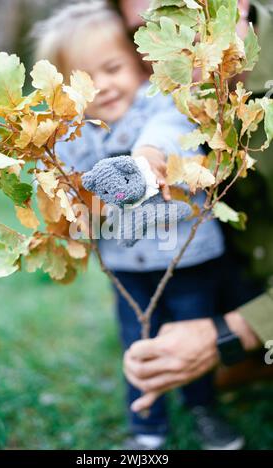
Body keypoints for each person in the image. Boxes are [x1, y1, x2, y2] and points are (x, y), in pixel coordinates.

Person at [31, 0, 243, 450]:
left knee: (191, 337)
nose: (104, 87)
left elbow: (167, 134)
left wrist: (145, 162)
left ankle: (206, 410)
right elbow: (71, 199)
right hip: (128, 268)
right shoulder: (72, 137)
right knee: (138, 343)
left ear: (140, 66)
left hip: (190, 260)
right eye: (85, 81)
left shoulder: (161, 104)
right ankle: (146, 428)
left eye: (113, 68)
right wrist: (73, 204)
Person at [123, 0, 273, 426]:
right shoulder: (171, 107)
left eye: (178, 23)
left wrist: (227, 334)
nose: (165, 53)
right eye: (145, 35)